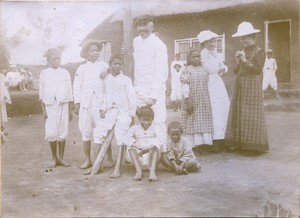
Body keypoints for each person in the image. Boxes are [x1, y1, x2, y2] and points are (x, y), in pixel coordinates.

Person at [226, 21, 269, 155]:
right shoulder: (242, 51)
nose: (242, 40)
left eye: (245, 37)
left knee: (251, 113)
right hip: (240, 84)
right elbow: (235, 70)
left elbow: (257, 70)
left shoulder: (260, 51)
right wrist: (239, 61)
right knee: (240, 112)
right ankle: (241, 143)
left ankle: (253, 146)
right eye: (241, 38)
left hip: (251, 84)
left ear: (253, 37)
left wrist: (244, 61)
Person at [92, 55, 137, 178]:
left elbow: (132, 98)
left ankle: (118, 168)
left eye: (120, 64)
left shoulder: (126, 80)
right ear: (110, 65)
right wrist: (102, 109)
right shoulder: (106, 79)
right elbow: (104, 96)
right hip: (109, 111)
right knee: (98, 133)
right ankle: (96, 165)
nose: (117, 66)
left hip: (124, 112)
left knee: (120, 137)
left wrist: (132, 114)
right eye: (115, 64)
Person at [133, 14, 168, 151]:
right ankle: (142, 153)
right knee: (140, 123)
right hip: (139, 90)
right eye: (140, 25)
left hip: (154, 91)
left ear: (152, 26)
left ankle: (162, 152)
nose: (142, 28)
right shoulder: (136, 41)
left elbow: (162, 72)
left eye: (145, 25)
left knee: (158, 121)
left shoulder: (159, 45)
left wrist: (154, 96)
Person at [73, 39, 110, 169]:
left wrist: (108, 70)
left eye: (97, 50)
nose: (95, 53)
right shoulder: (81, 68)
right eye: (92, 50)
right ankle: (88, 159)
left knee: (102, 129)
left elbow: (109, 81)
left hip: (100, 102)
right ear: (86, 53)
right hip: (86, 103)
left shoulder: (104, 65)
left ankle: (103, 159)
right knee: (86, 130)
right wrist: (77, 103)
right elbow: (77, 86)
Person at [39, 48, 73, 167]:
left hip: (63, 103)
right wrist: (43, 109)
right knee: (51, 131)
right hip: (50, 105)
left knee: (63, 131)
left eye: (58, 58)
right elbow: (41, 92)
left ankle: (61, 158)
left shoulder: (65, 72)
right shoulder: (44, 73)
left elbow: (69, 90)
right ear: (48, 60)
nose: (56, 61)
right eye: (54, 59)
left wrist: (70, 109)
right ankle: (54, 158)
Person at [197, 30, 230, 152]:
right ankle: (212, 141)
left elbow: (225, 68)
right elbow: (209, 69)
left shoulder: (215, 54)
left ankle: (221, 139)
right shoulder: (202, 55)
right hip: (208, 84)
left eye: (214, 41)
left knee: (223, 108)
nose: (212, 44)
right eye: (210, 42)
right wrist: (220, 68)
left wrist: (222, 68)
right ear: (204, 43)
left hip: (217, 83)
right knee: (213, 110)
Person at [181, 49, 214, 154]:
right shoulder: (187, 70)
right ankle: (192, 146)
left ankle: (203, 145)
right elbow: (185, 86)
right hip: (191, 99)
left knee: (203, 121)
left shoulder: (205, 69)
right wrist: (187, 100)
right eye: (194, 57)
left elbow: (208, 84)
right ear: (189, 59)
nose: (197, 58)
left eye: (198, 56)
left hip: (203, 99)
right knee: (191, 120)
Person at [123, 106, 162, 182]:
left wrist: (149, 148)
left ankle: (152, 172)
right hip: (138, 157)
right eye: (143, 120)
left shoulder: (156, 128)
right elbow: (125, 138)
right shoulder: (134, 128)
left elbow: (161, 139)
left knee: (156, 145)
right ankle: (138, 171)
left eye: (149, 120)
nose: (146, 123)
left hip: (151, 158)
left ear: (152, 119)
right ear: (139, 119)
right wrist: (137, 146)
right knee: (130, 147)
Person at [0, 71, 11, 143]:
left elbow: (7, 84)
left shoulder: (2, 76)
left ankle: (1, 131)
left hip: (2, 96)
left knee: (2, 113)